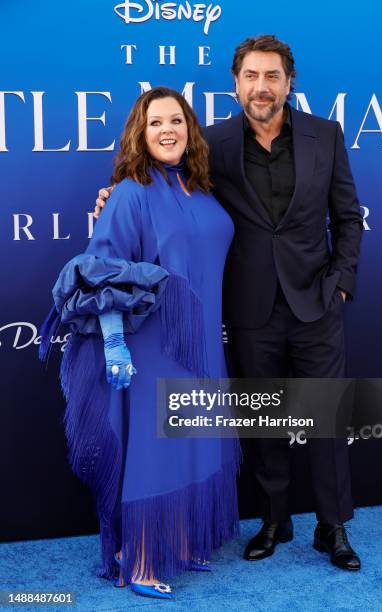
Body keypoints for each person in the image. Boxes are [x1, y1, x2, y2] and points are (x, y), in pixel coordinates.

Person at [95, 35, 364, 572]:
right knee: (262, 422)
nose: (261, 87)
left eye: (272, 77)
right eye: (251, 76)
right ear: (236, 84)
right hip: (248, 308)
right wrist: (110, 196)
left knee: (325, 418)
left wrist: (340, 283)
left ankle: (332, 527)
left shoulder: (326, 136)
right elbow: (160, 183)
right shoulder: (211, 144)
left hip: (315, 302)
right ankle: (272, 519)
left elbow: (349, 216)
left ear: (290, 83)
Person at [40, 87, 240, 600]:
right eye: (156, 123)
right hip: (154, 344)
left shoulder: (203, 189)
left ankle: (178, 538)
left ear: (190, 129)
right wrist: (113, 344)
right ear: (140, 133)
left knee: (195, 443)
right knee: (155, 449)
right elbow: (100, 269)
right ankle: (141, 557)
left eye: (177, 120)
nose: (168, 129)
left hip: (202, 343)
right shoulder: (130, 191)